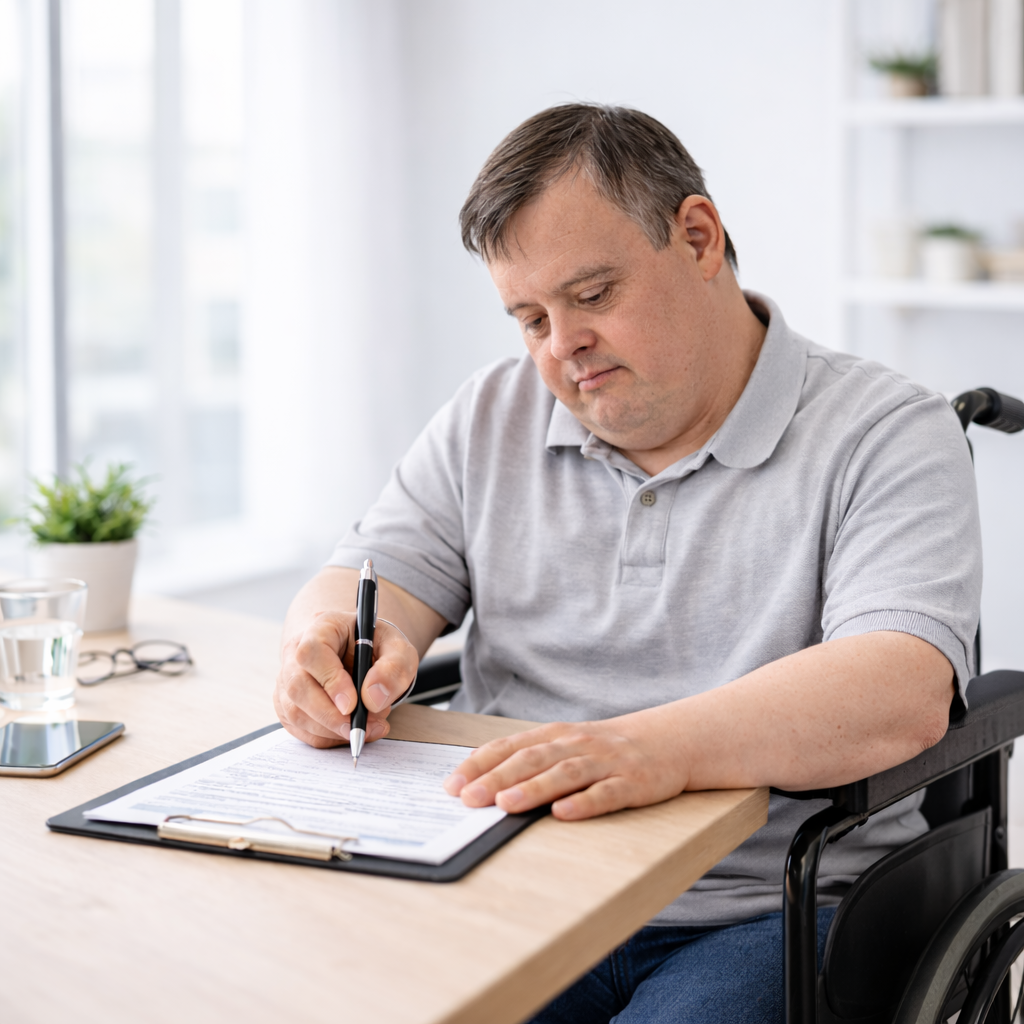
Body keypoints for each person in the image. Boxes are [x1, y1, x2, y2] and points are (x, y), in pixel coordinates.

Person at [274, 104, 981, 1022]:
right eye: (529, 318)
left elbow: (900, 686)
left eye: (593, 295)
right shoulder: (487, 416)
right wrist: (321, 645)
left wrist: (649, 750)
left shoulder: (888, 431)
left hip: (763, 909)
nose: (561, 346)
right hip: (512, 881)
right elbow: (375, 580)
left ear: (697, 237)